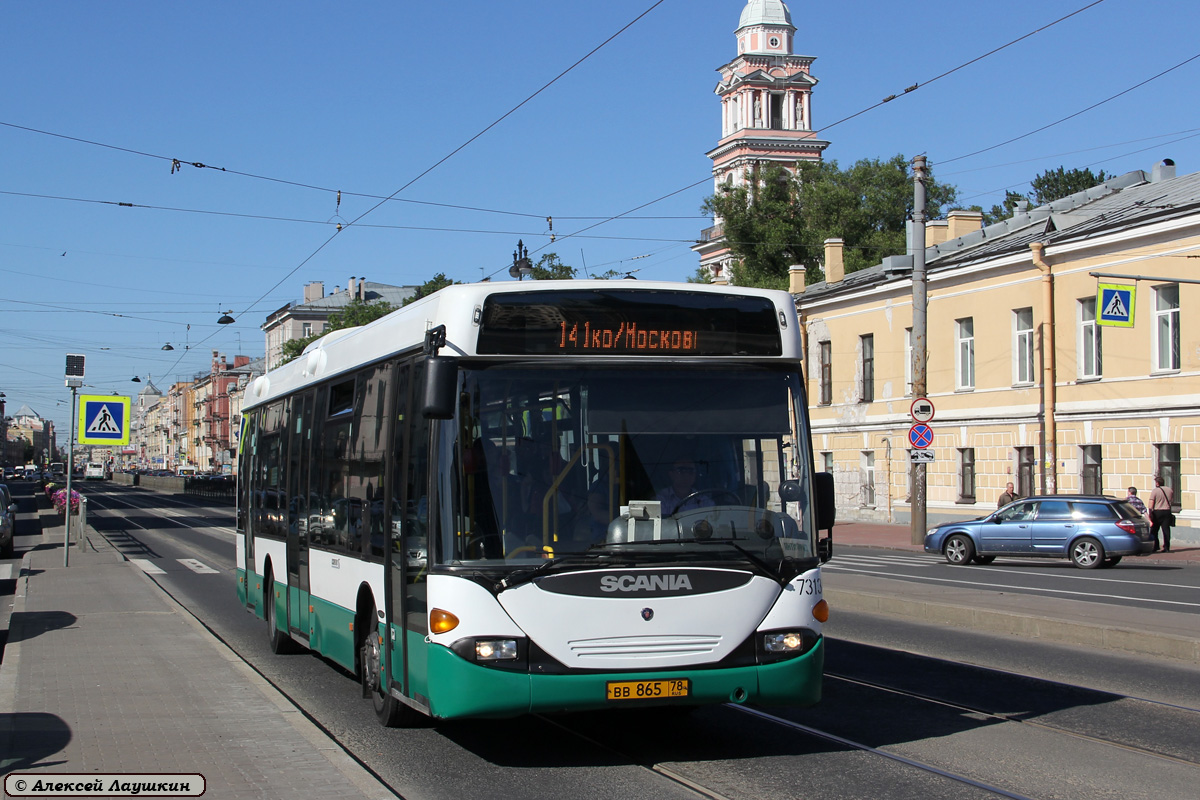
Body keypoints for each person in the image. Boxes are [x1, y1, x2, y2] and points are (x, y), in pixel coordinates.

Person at [1147, 475, 1174, 553]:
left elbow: (1151, 502)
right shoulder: (1170, 490)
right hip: (1167, 511)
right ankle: (1167, 547)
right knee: (1166, 530)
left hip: (1157, 512)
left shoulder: (1155, 491)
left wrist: (1150, 513)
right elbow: (1171, 500)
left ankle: (1156, 546)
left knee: (1154, 530)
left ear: (1157, 483)